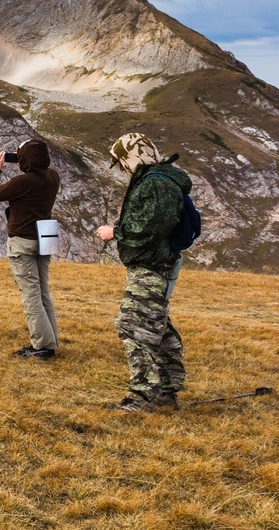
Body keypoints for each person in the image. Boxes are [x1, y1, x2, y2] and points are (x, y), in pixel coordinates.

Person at [95, 132, 190, 413]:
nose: (123, 169)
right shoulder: (161, 180)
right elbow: (153, 220)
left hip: (151, 266)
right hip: (155, 265)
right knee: (157, 326)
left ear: (132, 156)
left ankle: (142, 396)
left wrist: (116, 232)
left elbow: (152, 225)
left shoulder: (157, 183)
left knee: (134, 326)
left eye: (122, 162)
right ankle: (167, 389)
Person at [0, 139, 60, 359]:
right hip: (45, 237)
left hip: (23, 240)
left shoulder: (24, 181)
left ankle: (42, 347)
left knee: (31, 295)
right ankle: (50, 340)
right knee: (43, 291)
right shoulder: (52, 176)